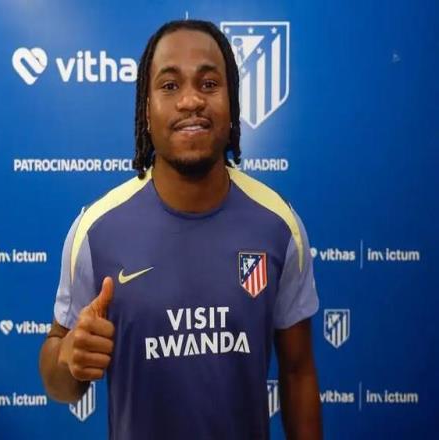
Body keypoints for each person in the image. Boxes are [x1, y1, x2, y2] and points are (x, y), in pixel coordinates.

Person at [39, 19, 322, 440]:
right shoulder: (96, 231)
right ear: (146, 110)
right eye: (170, 86)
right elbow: (59, 380)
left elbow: (297, 371)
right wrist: (70, 358)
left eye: (209, 84)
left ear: (232, 104)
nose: (191, 100)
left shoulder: (278, 225)